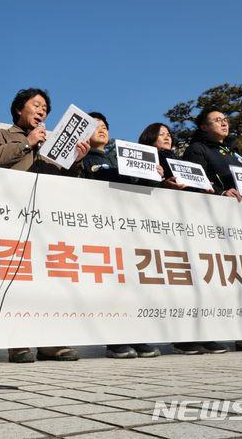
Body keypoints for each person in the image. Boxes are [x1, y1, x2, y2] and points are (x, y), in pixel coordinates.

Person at [0, 88, 90, 363]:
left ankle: (50, 343)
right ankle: (16, 343)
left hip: (46, 222)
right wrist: (27, 143)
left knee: (50, 281)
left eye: (45, 108)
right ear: (19, 109)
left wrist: (76, 162)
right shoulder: (0, 135)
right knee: (16, 281)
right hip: (11, 217)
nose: (42, 111)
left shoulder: (51, 144)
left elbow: (64, 180)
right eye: (36, 105)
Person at [81, 113, 161, 359]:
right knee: (109, 286)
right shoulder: (82, 159)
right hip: (100, 228)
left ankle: (137, 335)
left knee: (133, 283)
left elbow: (141, 188)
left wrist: (153, 175)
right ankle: (114, 340)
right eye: (95, 127)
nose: (102, 130)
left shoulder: (120, 157)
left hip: (130, 228)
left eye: (105, 126)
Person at [182, 107, 242, 202]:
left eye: (225, 120)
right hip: (217, 204)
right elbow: (195, 181)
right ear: (204, 127)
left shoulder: (233, 151)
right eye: (217, 120)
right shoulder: (197, 148)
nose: (224, 123)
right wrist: (221, 192)